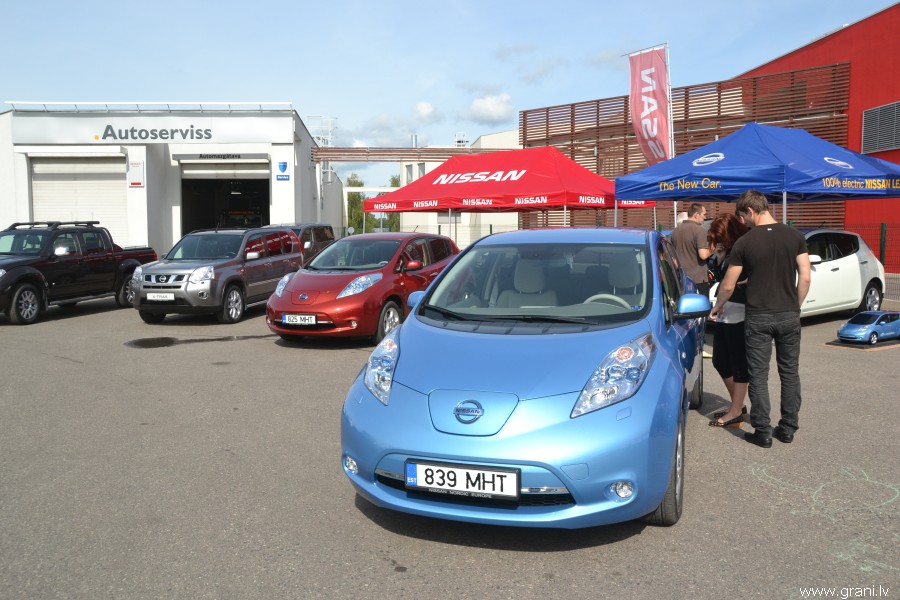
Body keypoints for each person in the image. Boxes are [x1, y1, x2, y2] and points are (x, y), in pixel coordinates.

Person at [710, 191, 811, 448]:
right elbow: (805, 276)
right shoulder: (795, 236)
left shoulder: (745, 242)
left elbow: (728, 284)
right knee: (789, 373)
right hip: (788, 314)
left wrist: (718, 306)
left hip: (758, 316)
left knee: (759, 375)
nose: (743, 222)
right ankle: (787, 428)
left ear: (751, 211)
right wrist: (795, 306)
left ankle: (763, 431)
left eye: (743, 217)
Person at [706, 214, 749, 428]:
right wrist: (720, 255)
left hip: (739, 311)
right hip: (726, 310)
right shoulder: (729, 251)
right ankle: (737, 406)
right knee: (720, 360)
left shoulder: (743, 250)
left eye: (719, 237)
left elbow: (738, 281)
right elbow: (720, 276)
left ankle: (736, 409)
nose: (717, 242)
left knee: (736, 362)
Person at [671, 203, 711, 297]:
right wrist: (713, 247)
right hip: (698, 280)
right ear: (696, 215)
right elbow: (703, 255)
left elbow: (673, 258)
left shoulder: (675, 231)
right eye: (704, 214)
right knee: (701, 305)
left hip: (681, 279)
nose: (705, 217)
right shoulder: (699, 230)